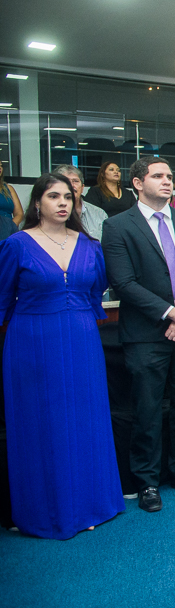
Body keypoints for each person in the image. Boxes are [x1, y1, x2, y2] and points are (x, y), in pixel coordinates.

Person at [0, 174, 123, 539]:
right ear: (37, 203)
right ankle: (45, 512)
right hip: (32, 343)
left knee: (87, 419)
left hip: (83, 338)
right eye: (53, 196)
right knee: (42, 424)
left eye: (68, 196)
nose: (62, 202)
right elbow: (3, 299)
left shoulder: (89, 245)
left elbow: (95, 289)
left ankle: (92, 505)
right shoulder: (17, 245)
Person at [102, 157, 175, 512]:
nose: (167, 182)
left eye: (169, 177)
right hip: (146, 333)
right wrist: (171, 314)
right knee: (147, 409)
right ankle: (147, 482)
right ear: (137, 183)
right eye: (158, 176)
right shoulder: (118, 225)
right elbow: (123, 283)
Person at [55, 164, 107, 242]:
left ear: (82, 188)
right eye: (66, 181)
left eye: (75, 181)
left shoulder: (99, 214)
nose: (72, 185)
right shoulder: (51, 214)